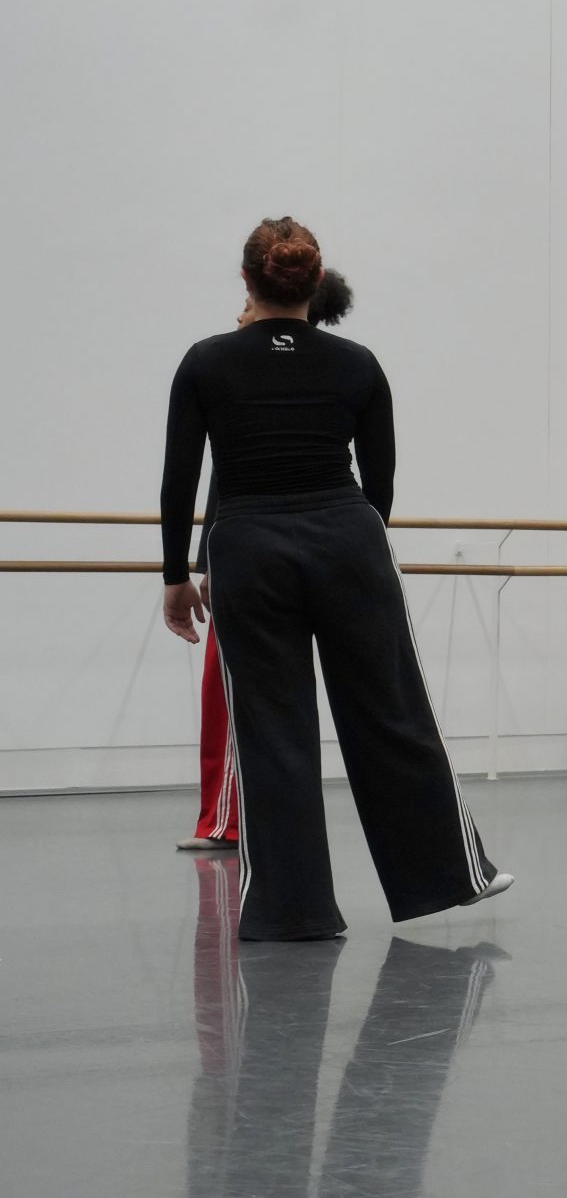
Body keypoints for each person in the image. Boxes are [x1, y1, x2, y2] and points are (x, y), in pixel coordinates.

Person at [159, 219, 508, 940]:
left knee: (272, 730)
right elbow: (380, 484)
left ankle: (294, 910)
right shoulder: (357, 363)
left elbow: (180, 480)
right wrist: (355, 549)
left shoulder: (205, 361)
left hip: (249, 544)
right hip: (347, 537)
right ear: (315, 284)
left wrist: (176, 575)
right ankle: (449, 874)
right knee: (391, 711)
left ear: (247, 281)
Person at [181, 269, 353, 852]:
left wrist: (204, 565)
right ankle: (234, 819)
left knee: (246, 695)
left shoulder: (252, 373)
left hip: (258, 558)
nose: (239, 314)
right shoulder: (255, 370)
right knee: (258, 698)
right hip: (285, 550)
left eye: (247, 304)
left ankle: (230, 819)